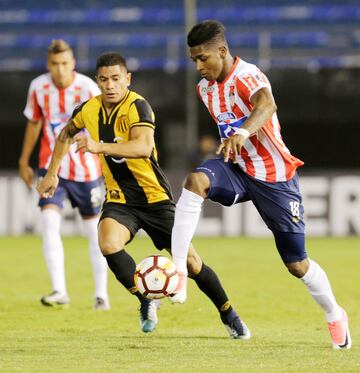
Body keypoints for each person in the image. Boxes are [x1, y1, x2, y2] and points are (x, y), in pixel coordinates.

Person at [36, 52, 250, 338]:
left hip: (154, 199)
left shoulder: (138, 106)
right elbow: (64, 134)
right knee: (108, 243)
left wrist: (99, 146)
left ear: (127, 79)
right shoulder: (88, 109)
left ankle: (229, 314)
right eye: (103, 79)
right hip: (120, 199)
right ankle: (146, 300)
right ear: (97, 81)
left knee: (192, 263)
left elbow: (142, 147)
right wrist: (52, 173)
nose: (109, 85)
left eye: (115, 79)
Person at [171, 20, 351, 349]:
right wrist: (230, 142)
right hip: (236, 166)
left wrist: (242, 132)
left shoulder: (247, 75)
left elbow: (267, 105)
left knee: (297, 264)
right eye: (193, 60)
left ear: (222, 51)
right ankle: (179, 271)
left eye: (202, 58)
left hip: (274, 175)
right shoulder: (206, 89)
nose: (198, 66)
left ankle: (334, 313)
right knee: (194, 181)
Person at [19, 39, 109, 310]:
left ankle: (101, 294)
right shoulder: (38, 87)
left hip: (86, 169)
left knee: (93, 232)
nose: (60, 69)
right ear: (49, 64)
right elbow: (35, 123)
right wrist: (24, 159)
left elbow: (100, 126)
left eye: (65, 63)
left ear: (73, 64)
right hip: (52, 168)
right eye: (55, 64)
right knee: (48, 223)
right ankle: (59, 290)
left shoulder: (87, 88)